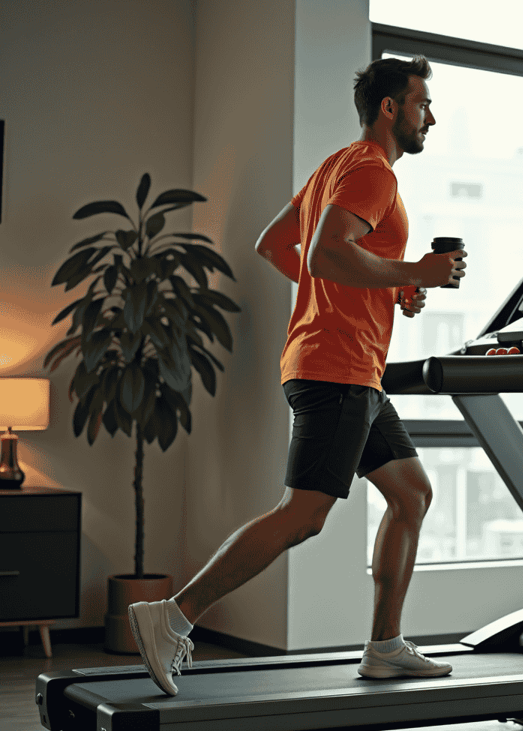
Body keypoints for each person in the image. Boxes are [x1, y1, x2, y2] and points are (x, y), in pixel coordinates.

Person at [128, 54, 468, 696]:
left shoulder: (334, 167)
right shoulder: (371, 169)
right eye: (422, 103)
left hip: (349, 366)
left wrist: (382, 292)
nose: (431, 116)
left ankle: (385, 647)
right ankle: (172, 617)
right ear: (390, 108)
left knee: (411, 494)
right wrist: (414, 275)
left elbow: (276, 245)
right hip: (337, 365)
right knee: (305, 514)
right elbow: (324, 253)